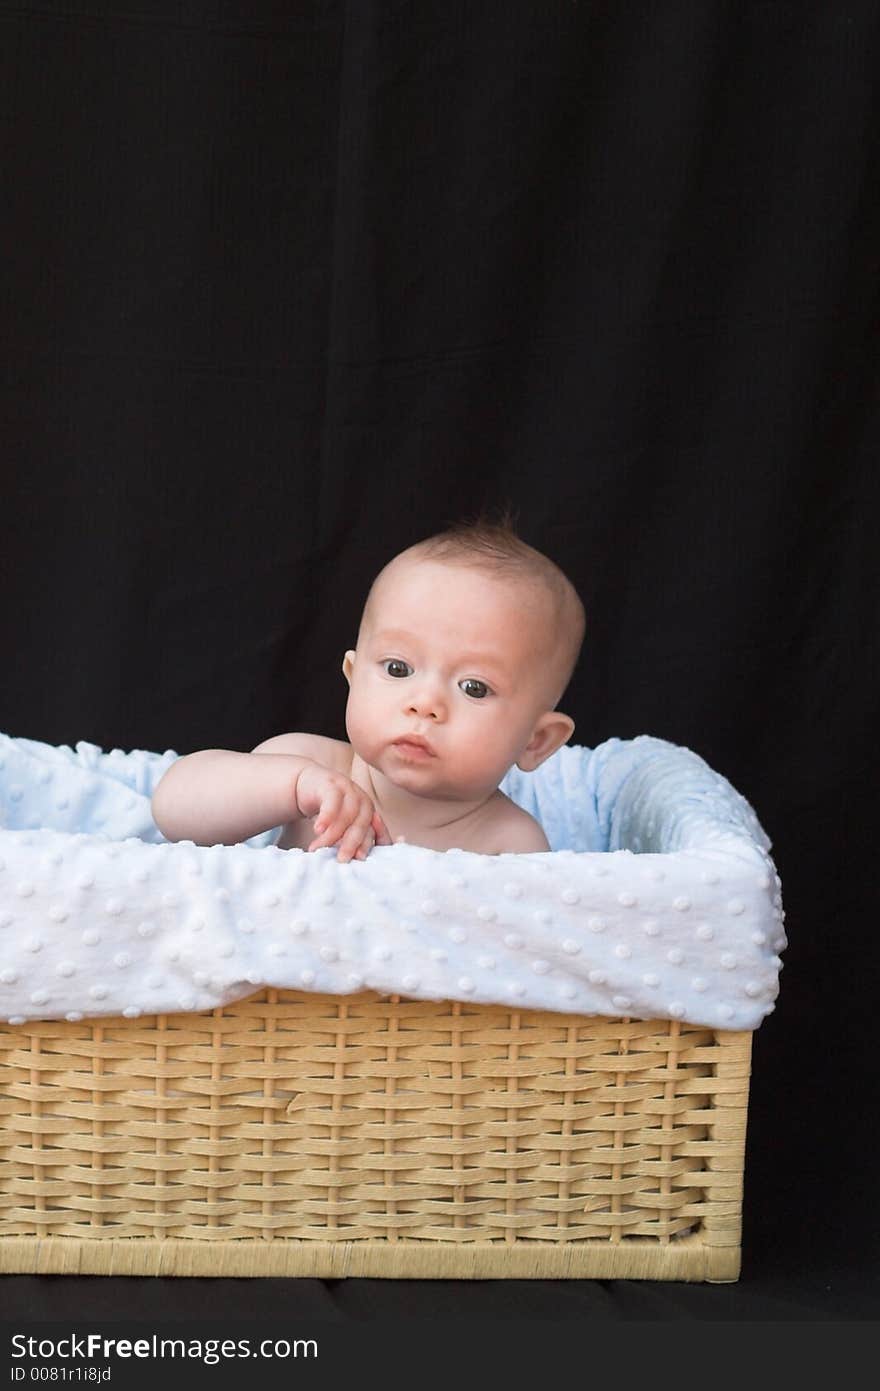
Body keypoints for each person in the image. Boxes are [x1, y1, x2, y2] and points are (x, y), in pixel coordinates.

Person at [151, 515, 585, 860]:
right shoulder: (307, 764)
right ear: (353, 678)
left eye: (473, 687)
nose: (425, 704)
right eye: (398, 668)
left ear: (536, 740)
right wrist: (294, 788)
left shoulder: (510, 844)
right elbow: (173, 810)